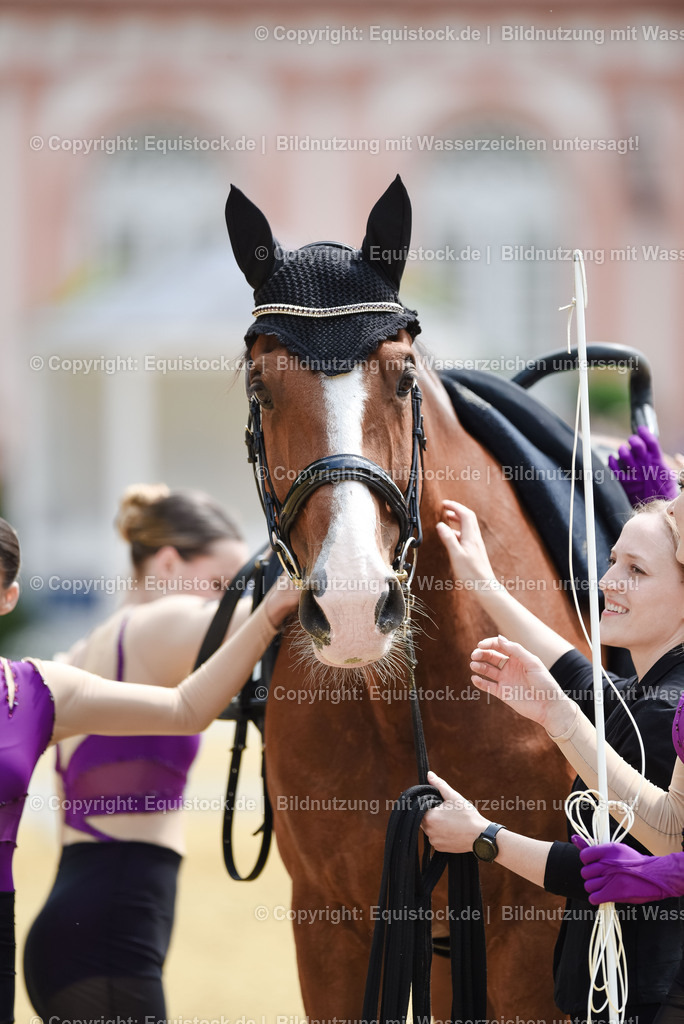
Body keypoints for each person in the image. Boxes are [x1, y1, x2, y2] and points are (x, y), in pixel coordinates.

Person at [0, 515, 298, 1024]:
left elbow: (187, 708)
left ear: (8, 598)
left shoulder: (34, 691)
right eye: (214, 585)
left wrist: (270, 613)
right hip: (104, 927)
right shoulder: (142, 629)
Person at [421, 497, 684, 1024]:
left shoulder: (666, 709)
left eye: (636, 570)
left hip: (647, 998)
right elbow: (577, 673)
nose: (609, 581)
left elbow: (617, 860)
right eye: (613, 560)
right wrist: (481, 581)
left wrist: (481, 836)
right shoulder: (647, 694)